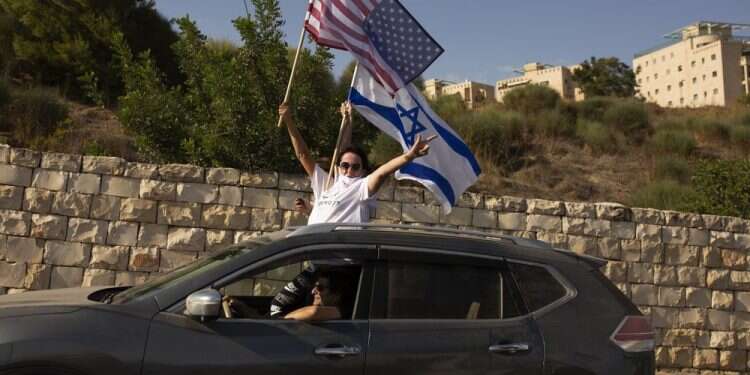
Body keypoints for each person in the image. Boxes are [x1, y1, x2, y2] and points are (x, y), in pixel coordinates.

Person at [278, 101, 435, 224]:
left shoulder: (361, 188)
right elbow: (303, 154)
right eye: (345, 166)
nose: (349, 170)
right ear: (338, 167)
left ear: (363, 171)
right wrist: (289, 121)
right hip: (315, 257)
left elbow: (382, 173)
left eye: (355, 167)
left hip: (343, 262)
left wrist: (409, 156)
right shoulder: (326, 185)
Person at [284, 270, 352, 321]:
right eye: (314, 286)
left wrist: (281, 322)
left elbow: (314, 312)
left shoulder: (345, 311)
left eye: (320, 288)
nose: (313, 291)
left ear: (336, 294)